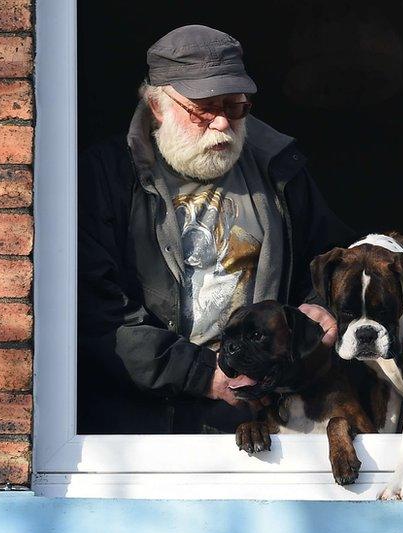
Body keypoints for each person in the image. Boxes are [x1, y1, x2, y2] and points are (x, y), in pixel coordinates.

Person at [77, 25, 353, 434]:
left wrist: (321, 304)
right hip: (138, 429)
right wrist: (202, 375)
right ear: (157, 105)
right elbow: (96, 312)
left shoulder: (279, 167)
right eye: (203, 108)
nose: (222, 123)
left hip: (260, 419)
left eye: (235, 106)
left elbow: (331, 258)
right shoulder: (103, 177)